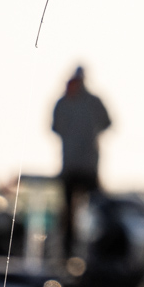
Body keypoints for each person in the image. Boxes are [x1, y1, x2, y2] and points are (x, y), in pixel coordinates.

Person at [51, 66, 111, 259]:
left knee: (97, 210)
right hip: (72, 168)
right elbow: (55, 127)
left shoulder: (92, 102)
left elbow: (107, 122)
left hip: (88, 167)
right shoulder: (65, 102)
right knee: (69, 213)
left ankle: (97, 252)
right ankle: (67, 254)